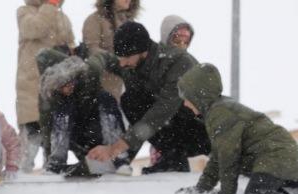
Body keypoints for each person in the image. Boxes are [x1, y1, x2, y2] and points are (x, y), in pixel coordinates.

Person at [175, 64, 298, 194]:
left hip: (273, 153)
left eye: (187, 98)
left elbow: (228, 156)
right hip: (280, 152)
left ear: (199, 96)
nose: (185, 103)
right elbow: (218, 158)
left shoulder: (219, 112)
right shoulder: (217, 110)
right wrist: (201, 189)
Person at [86, 21, 210, 174]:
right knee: (130, 100)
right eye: (120, 56)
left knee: (166, 111)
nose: (122, 63)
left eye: (127, 56)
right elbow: (105, 59)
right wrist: (90, 68)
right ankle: (172, 159)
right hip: (174, 127)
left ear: (142, 51)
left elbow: (161, 112)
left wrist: (115, 149)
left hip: (203, 131)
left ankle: (174, 158)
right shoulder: (132, 64)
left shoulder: (178, 62)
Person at [37, 49, 129, 177]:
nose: (66, 89)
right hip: (79, 136)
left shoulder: (90, 70)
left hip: (99, 124)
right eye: (61, 87)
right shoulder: (55, 98)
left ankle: (120, 158)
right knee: (63, 110)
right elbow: (47, 128)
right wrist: (50, 161)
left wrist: (127, 73)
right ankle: (56, 164)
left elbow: (103, 57)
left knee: (106, 98)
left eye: (68, 84)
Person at [16, 0, 75, 172]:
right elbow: (33, 28)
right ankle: (21, 174)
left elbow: (71, 46)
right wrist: (50, 6)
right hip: (31, 84)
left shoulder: (63, 17)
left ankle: (51, 171)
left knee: (52, 133)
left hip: (56, 85)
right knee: (32, 133)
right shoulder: (24, 11)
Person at [82, 0, 140, 102]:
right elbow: (91, 49)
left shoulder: (130, 23)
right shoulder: (95, 20)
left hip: (123, 90)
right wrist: (117, 61)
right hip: (100, 89)